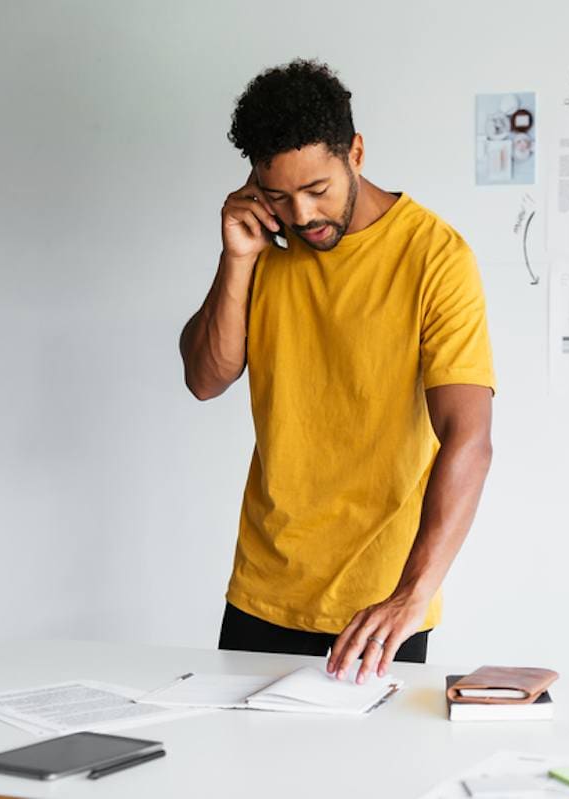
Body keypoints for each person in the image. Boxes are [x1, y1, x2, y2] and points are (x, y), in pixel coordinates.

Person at [178, 59, 495, 685]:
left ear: (355, 151)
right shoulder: (263, 245)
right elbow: (205, 378)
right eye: (277, 195)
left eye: (317, 189)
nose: (299, 215)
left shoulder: (435, 256)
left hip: (379, 606)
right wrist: (236, 258)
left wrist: (413, 594)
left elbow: (470, 439)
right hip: (262, 591)